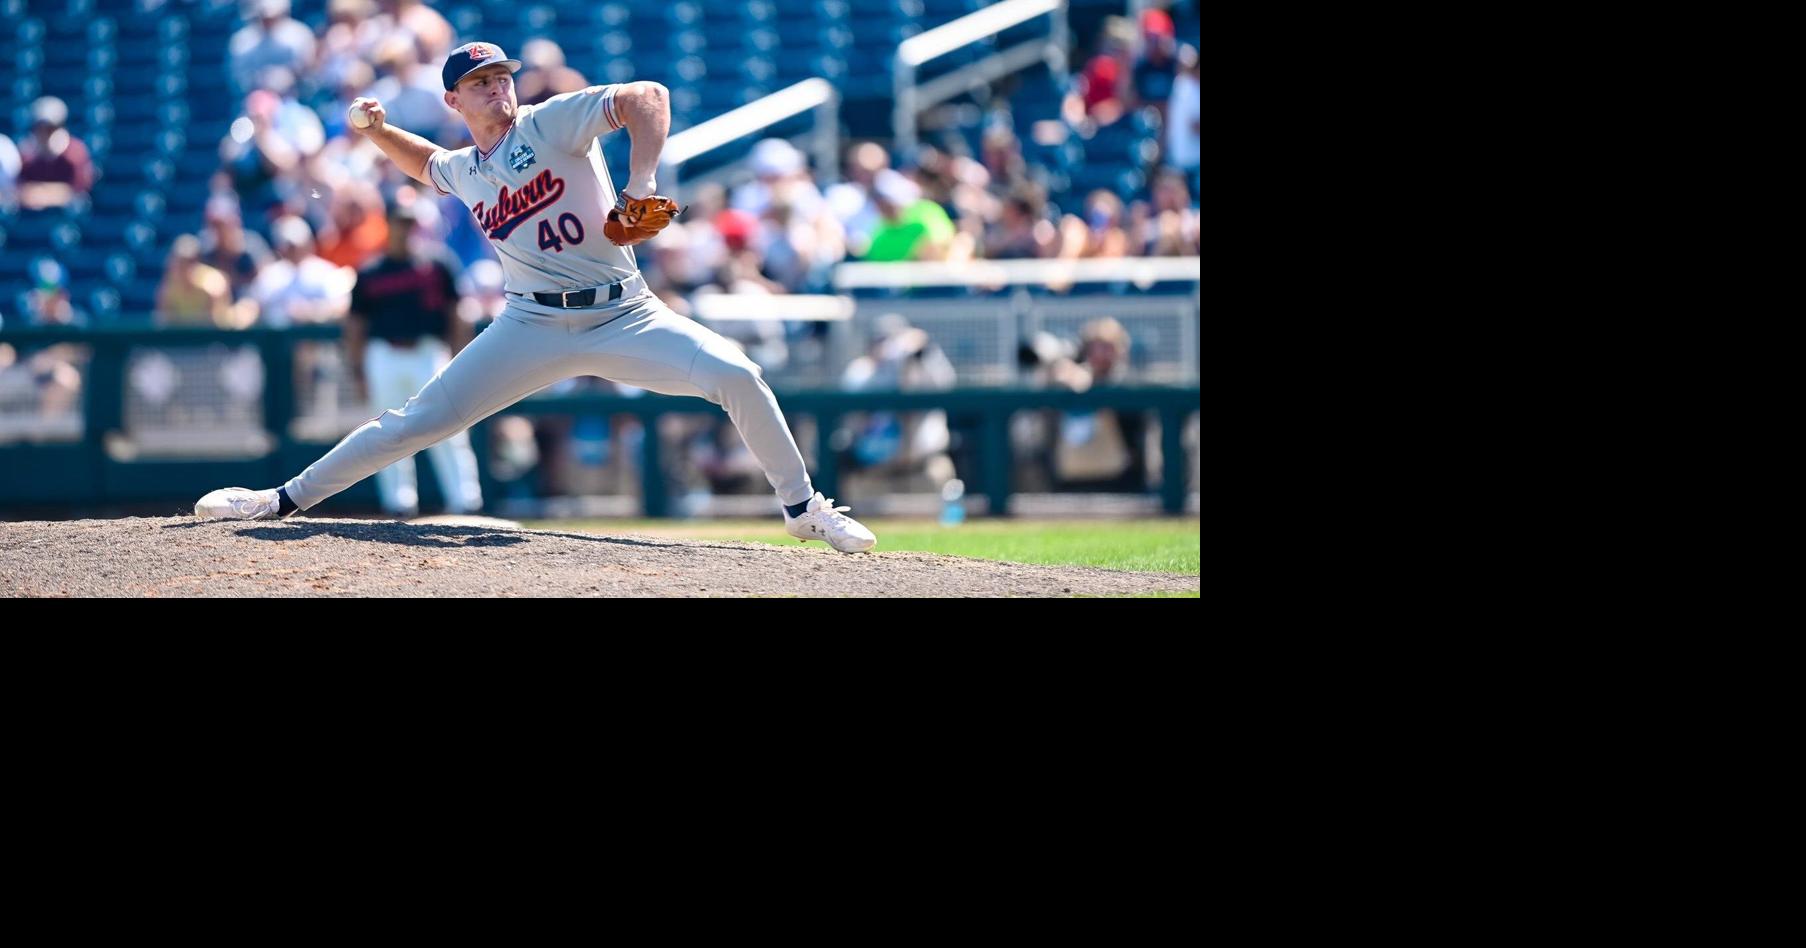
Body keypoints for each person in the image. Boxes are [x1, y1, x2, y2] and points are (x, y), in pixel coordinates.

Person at [194, 42, 875, 552]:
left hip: (625, 312)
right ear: (453, 102)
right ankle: (280, 500)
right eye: (480, 83)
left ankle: (802, 508)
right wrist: (376, 134)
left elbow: (649, 96)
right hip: (529, 324)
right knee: (415, 421)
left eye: (502, 77)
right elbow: (428, 165)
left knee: (737, 374)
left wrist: (640, 181)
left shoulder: (549, 125)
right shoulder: (466, 168)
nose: (498, 88)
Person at [342, 202, 483, 517]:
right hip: (384, 355)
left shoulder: (437, 263)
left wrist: (461, 360)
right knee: (387, 431)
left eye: (410, 222)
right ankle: (398, 503)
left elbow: (458, 315)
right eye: (400, 221)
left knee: (448, 424)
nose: (405, 228)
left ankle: (466, 501)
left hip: (428, 352)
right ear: (388, 224)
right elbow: (355, 326)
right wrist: (358, 370)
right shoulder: (370, 270)